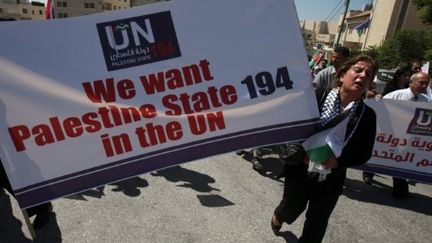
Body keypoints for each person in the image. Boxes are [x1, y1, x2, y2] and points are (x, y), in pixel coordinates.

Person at [271, 55, 377, 243]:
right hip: (300, 170)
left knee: (317, 222)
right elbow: (291, 126)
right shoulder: (317, 96)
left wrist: (338, 161)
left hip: (331, 177)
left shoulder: (367, 116)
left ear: (369, 85)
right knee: (292, 207)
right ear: (343, 74)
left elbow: (364, 153)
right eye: (358, 70)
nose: (362, 76)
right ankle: (280, 215)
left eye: (368, 75)